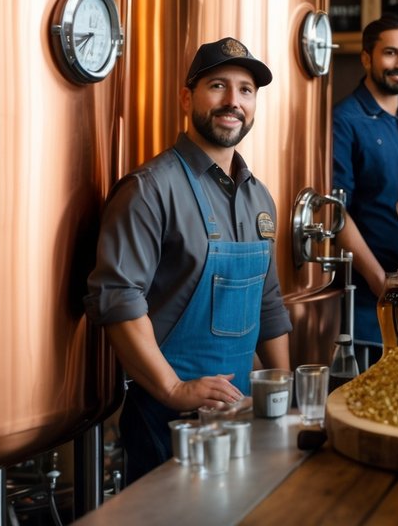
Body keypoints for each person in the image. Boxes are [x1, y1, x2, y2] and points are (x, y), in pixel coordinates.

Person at [85, 38, 290, 482]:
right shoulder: (149, 188)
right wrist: (175, 389)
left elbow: (268, 303)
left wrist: (282, 390)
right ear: (186, 97)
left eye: (246, 90)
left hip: (242, 412)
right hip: (168, 420)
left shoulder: (260, 196)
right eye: (218, 85)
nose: (233, 101)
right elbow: (118, 301)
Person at [332, 15, 398, 359]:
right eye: (391, 53)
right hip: (368, 304)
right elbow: (333, 211)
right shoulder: (345, 120)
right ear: (366, 58)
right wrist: (379, 281)